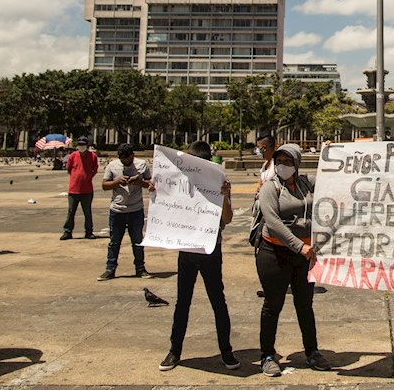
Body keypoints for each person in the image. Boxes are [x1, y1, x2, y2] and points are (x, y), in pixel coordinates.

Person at [158, 141, 238, 371]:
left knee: (217, 300)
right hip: (187, 250)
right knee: (183, 301)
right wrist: (157, 190)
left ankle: (226, 350)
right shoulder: (180, 182)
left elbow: (227, 218)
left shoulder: (218, 182)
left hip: (210, 249)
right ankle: (175, 350)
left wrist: (225, 196)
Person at [254, 143, 331, 377]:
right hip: (275, 253)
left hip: (304, 256)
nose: (282, 166)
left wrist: (332, 154)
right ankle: (267, 355)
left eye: (288, 162)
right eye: (279, 161)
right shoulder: (270, 187)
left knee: (305, 305)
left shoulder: (307, 183)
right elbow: (273, 222)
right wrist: (299, 246)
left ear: (297, 163)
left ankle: (312, 351)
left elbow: (334, 182)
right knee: (272, 305)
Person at [99, 143, 152, 281]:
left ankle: (140, 268)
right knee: (114, 242)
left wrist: (139, 182)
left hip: (136, 209)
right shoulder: (112, 165)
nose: (125, 162)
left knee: (137, 241)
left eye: (128, 160)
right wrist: (117, 182)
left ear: (132, 156)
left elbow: (150, 184)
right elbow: (104, 185)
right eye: (122, 160)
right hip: (117, 210)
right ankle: (110, 268)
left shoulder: (142, 165)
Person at [60, 137, 98, 241]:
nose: (81, 146)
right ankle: (67, 231)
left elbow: (95, 169)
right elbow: (68, 169)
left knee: (87, 212)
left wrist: (88, 177)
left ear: (87, 146)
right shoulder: (73, 156)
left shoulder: (92, 156)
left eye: (83, 145)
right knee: (71, 212)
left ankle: (89, 232)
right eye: (80, 144)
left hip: (87, 190)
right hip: (73, 189)